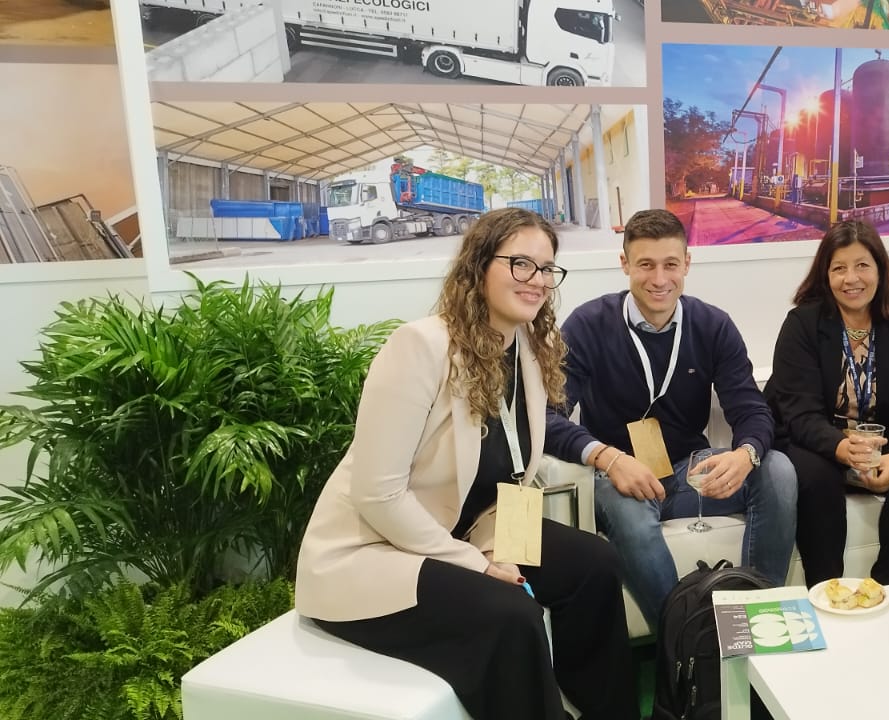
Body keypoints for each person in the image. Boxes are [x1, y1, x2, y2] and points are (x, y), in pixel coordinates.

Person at [293, 208, 638, 720]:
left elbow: (515, 475)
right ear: (479, 266)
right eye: (521, 263)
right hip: (375, 550)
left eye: (547, 268)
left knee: (596, 564)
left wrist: (501, 546)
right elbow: (377, 495)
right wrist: (479, 565)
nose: (537, 280)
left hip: (466, 530)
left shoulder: (527, 349)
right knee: (512, 613)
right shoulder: (420, 346)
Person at [544, 208, 799, 628]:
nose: (659, 279)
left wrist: (746, 454)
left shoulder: (712, 325)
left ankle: (758, 623)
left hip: (688, 472)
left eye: (670, 264)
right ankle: (685, 641)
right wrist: (608, 458)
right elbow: (546, 415)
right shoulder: (588, 325)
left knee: (778, 470)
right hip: (619, 478)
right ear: (625, 264)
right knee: (627, 512)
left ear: (687, 264)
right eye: (646, 264)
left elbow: (751, 408)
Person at [765, 219, 889, 587]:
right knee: (816, 475)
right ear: (825, 274)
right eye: (839, 268)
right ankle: (826, 587)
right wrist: (843, 449)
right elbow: (799, 411)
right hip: (817, 442)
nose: (851, 279)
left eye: (862, 265)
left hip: (876, 443)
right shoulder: (802, 324)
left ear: (880, 269)